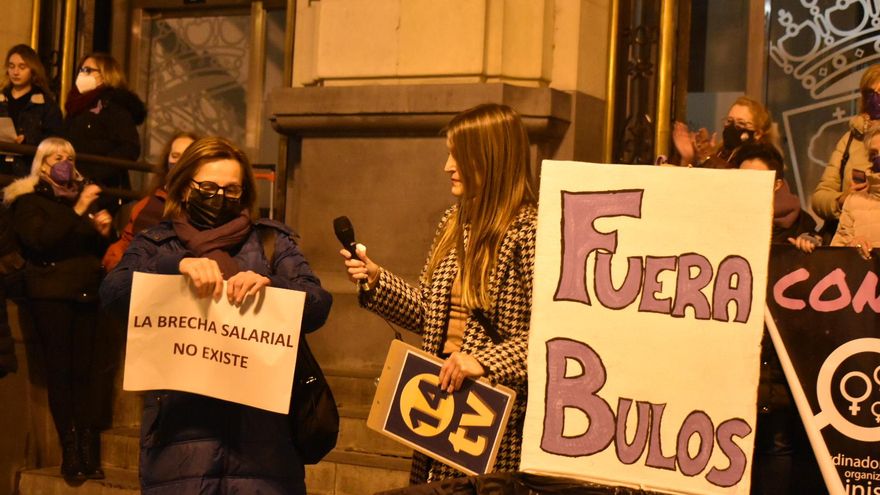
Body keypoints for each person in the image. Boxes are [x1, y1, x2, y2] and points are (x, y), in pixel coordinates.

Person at [100, 136, 332, 495]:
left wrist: (272, 285)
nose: (219, 197)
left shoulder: (271, 243)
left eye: (231, 189)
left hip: (264, 447)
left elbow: (318, 303)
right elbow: (113, 294)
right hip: (181, 439)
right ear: (185, 185)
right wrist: (176, 265)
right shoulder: (157, 243)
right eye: (208, 186)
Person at [340, 103, 537, 483]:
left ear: (491, 158)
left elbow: (553, 339)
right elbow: (430, 314)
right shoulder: (455, 221)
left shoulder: (529, 230)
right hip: (441, 403)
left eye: (458, 155)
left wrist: (484, 361)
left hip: (495, 417)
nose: (447, 166)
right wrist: (377, 278)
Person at [2, 137, 113, 481]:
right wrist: (79, 211)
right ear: (42, 163)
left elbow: (90, 247)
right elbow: (41, 240)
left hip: (86, 292)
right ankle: (70, 451)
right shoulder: (28, 200)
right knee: (60, 373)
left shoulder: (82, 196)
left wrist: (104, 232)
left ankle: (87, 447)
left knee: (85, 375)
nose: (64, 161)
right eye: (56, 156)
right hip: (50, 294)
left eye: (69, 156)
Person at [102, 131, 197, 271]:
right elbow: (125, 242)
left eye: (186, 156)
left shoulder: (201, 206)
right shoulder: (147, 203)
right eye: (175, 155)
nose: (179, 162)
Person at [64, 52, 146, 212]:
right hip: (72, 183)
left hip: (101, 187)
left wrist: (95, 173)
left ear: (105, 75)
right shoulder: (76, 105)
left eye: (89, 70)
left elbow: (130, 147)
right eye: (81, 70)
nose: (82, 74)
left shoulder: (115, 106)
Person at [812, 64, 880, 238]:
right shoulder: (850, 139)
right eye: (869, 94)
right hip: (850, 240)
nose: (875, 100)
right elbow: (820, 197)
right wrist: (844, 199)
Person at [733, 143, 816, 243]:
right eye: (742, 178)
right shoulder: (725, 216)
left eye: (756, 179)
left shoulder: (801, 224)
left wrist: (807, 245)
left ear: (777, 185)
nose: (748, 185)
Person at [0, 44, 63, 176]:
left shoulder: (45, 104)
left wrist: (28, 140)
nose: (15, 72)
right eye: (11, 66)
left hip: (27, 169)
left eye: (22, 67)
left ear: (33, 70)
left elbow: (55, 139)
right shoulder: (2, 98)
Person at [672, 96, 780, 169]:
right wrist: (688, 157)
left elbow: (735, 182)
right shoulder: (721, 152)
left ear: (757, 133)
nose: (732, 127)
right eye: (729, 121)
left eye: (741, 124)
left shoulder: (762, 157)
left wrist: (708, 157)